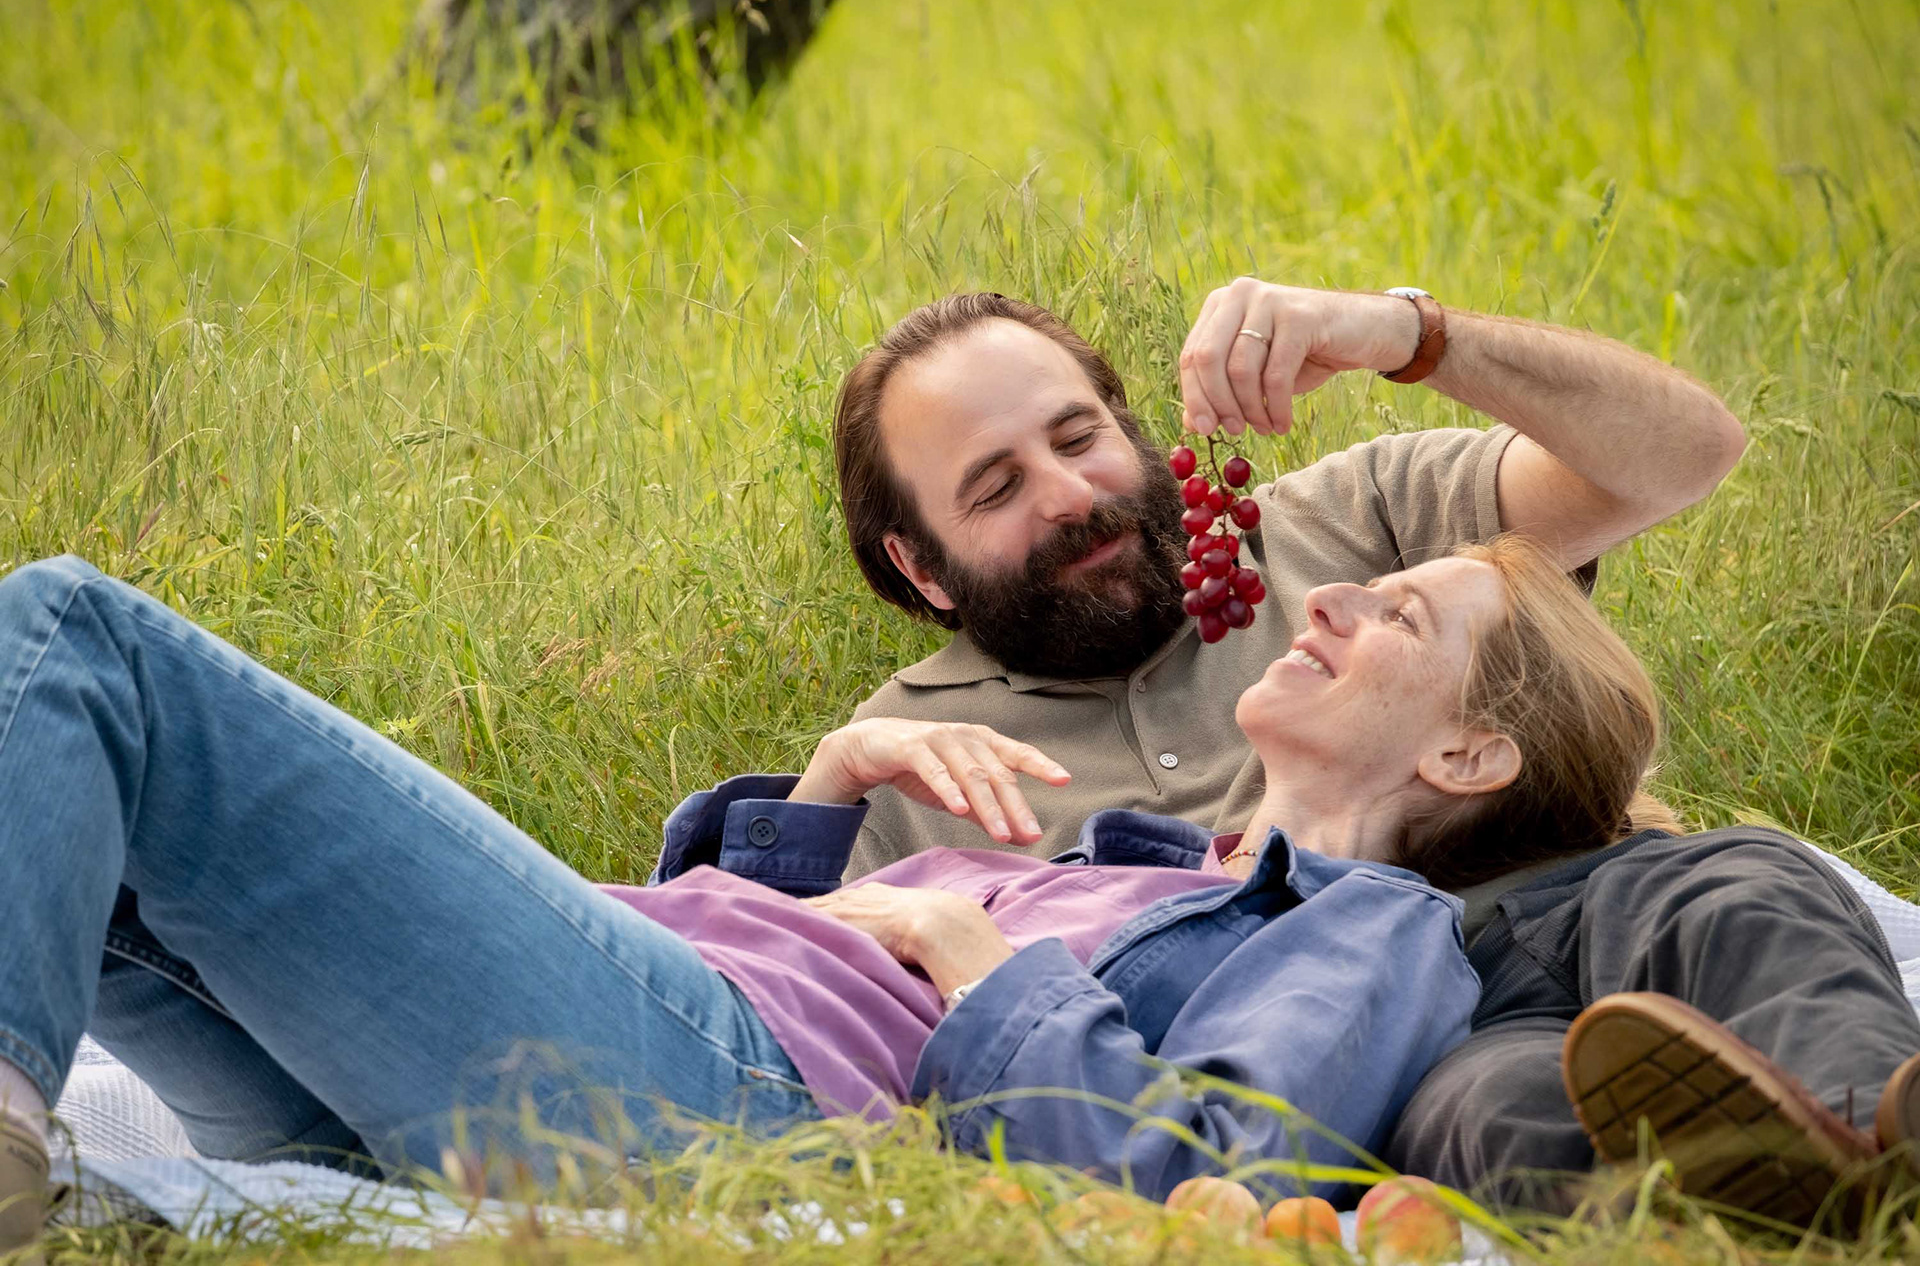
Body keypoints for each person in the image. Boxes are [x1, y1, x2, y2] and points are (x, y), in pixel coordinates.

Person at [0, 532, 1737, 1255]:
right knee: (100, 850)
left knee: (76, 642)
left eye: (1404, 621)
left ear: (1468, 763)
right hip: (604, 1050)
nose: (1336, 603)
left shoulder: (1364, 927)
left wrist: (983, 959)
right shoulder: (1144, 860)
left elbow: (1216, 1177)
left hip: (712, 1099)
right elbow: (738, 952)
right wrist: (817, 809)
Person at [831, 279, 1749, 877]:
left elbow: (1687, 455)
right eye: (997, 489)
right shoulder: (903, 759)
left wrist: (1404, 334)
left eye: (1079, 438)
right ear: (920, 566)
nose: (1071, 494)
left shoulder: (1355, 521)